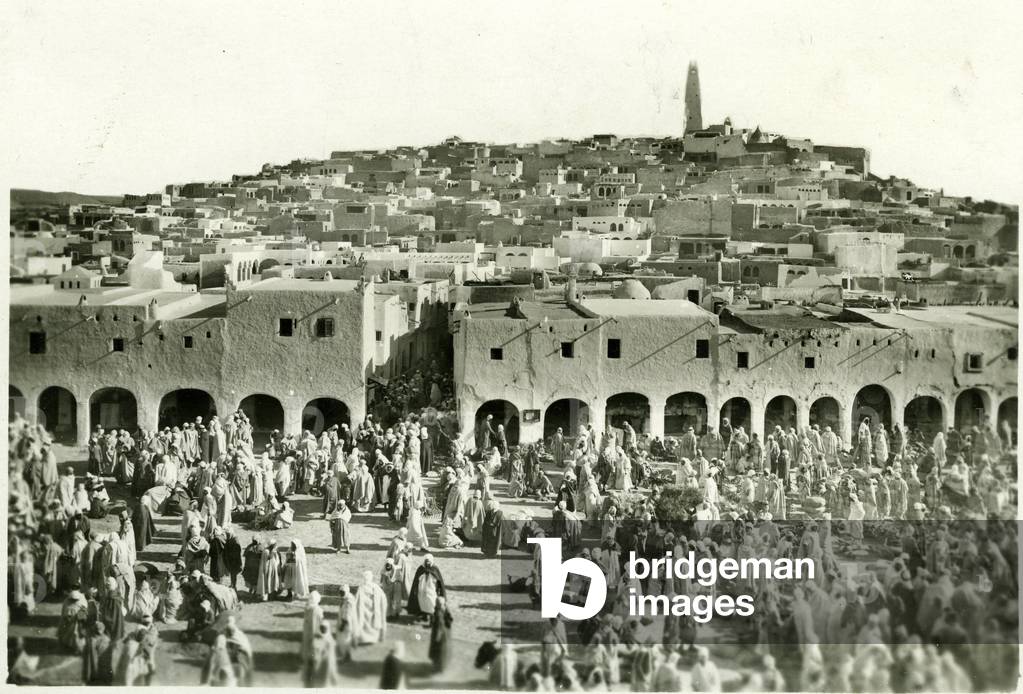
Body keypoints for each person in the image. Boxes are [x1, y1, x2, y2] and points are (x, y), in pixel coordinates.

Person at [407, 554, 446, 623]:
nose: (427, 563)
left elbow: (439, 581)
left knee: (432, 604)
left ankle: (432, 619)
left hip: (431, 591)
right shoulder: (421, 568)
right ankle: (424, 615)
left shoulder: (434, 569)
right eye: (426, 561)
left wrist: (439, 590)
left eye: (429, 561)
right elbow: (416, 580)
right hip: (421, 591)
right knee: (423, 603)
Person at [353, 569, 388, 645]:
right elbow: (383, 598)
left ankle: (369, 638)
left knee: (369, 623)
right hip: (367, 609)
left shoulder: (367, 587)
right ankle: (368, 638)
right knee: (369, 623)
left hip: (371, 609)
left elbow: (356, 600)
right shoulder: (373, 587)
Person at [428, 595, 454, 673]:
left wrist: (436, 638)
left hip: (440, 635)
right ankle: (442, 666)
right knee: (444, 651)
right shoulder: (445, 608)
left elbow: (439, 626)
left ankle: (439, 668)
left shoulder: (438, 613)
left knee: (438, 652)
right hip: (446, 633)